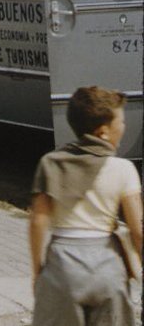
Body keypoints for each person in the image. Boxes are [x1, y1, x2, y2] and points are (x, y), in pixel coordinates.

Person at [29, 86, 142, 326]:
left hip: (62, 265)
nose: (124, 127)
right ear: (103, 132)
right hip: (108, 266)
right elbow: (138, 230)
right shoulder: (123, 169)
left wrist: (38, 270)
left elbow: (38, 220)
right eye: (120, 122)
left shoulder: (50, 163)